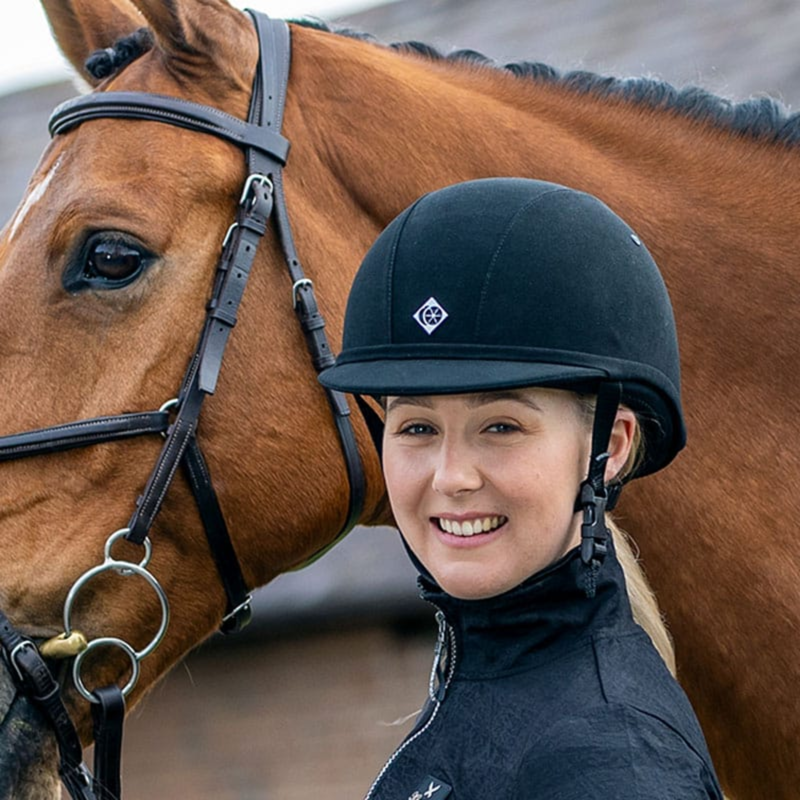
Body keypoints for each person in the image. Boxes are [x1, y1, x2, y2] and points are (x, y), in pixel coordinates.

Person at [319, 178, 724, 799]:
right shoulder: (486, 685)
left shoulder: (611, 764)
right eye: (418, 427)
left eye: (501, 426)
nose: (451, 477)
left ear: (608, 448)